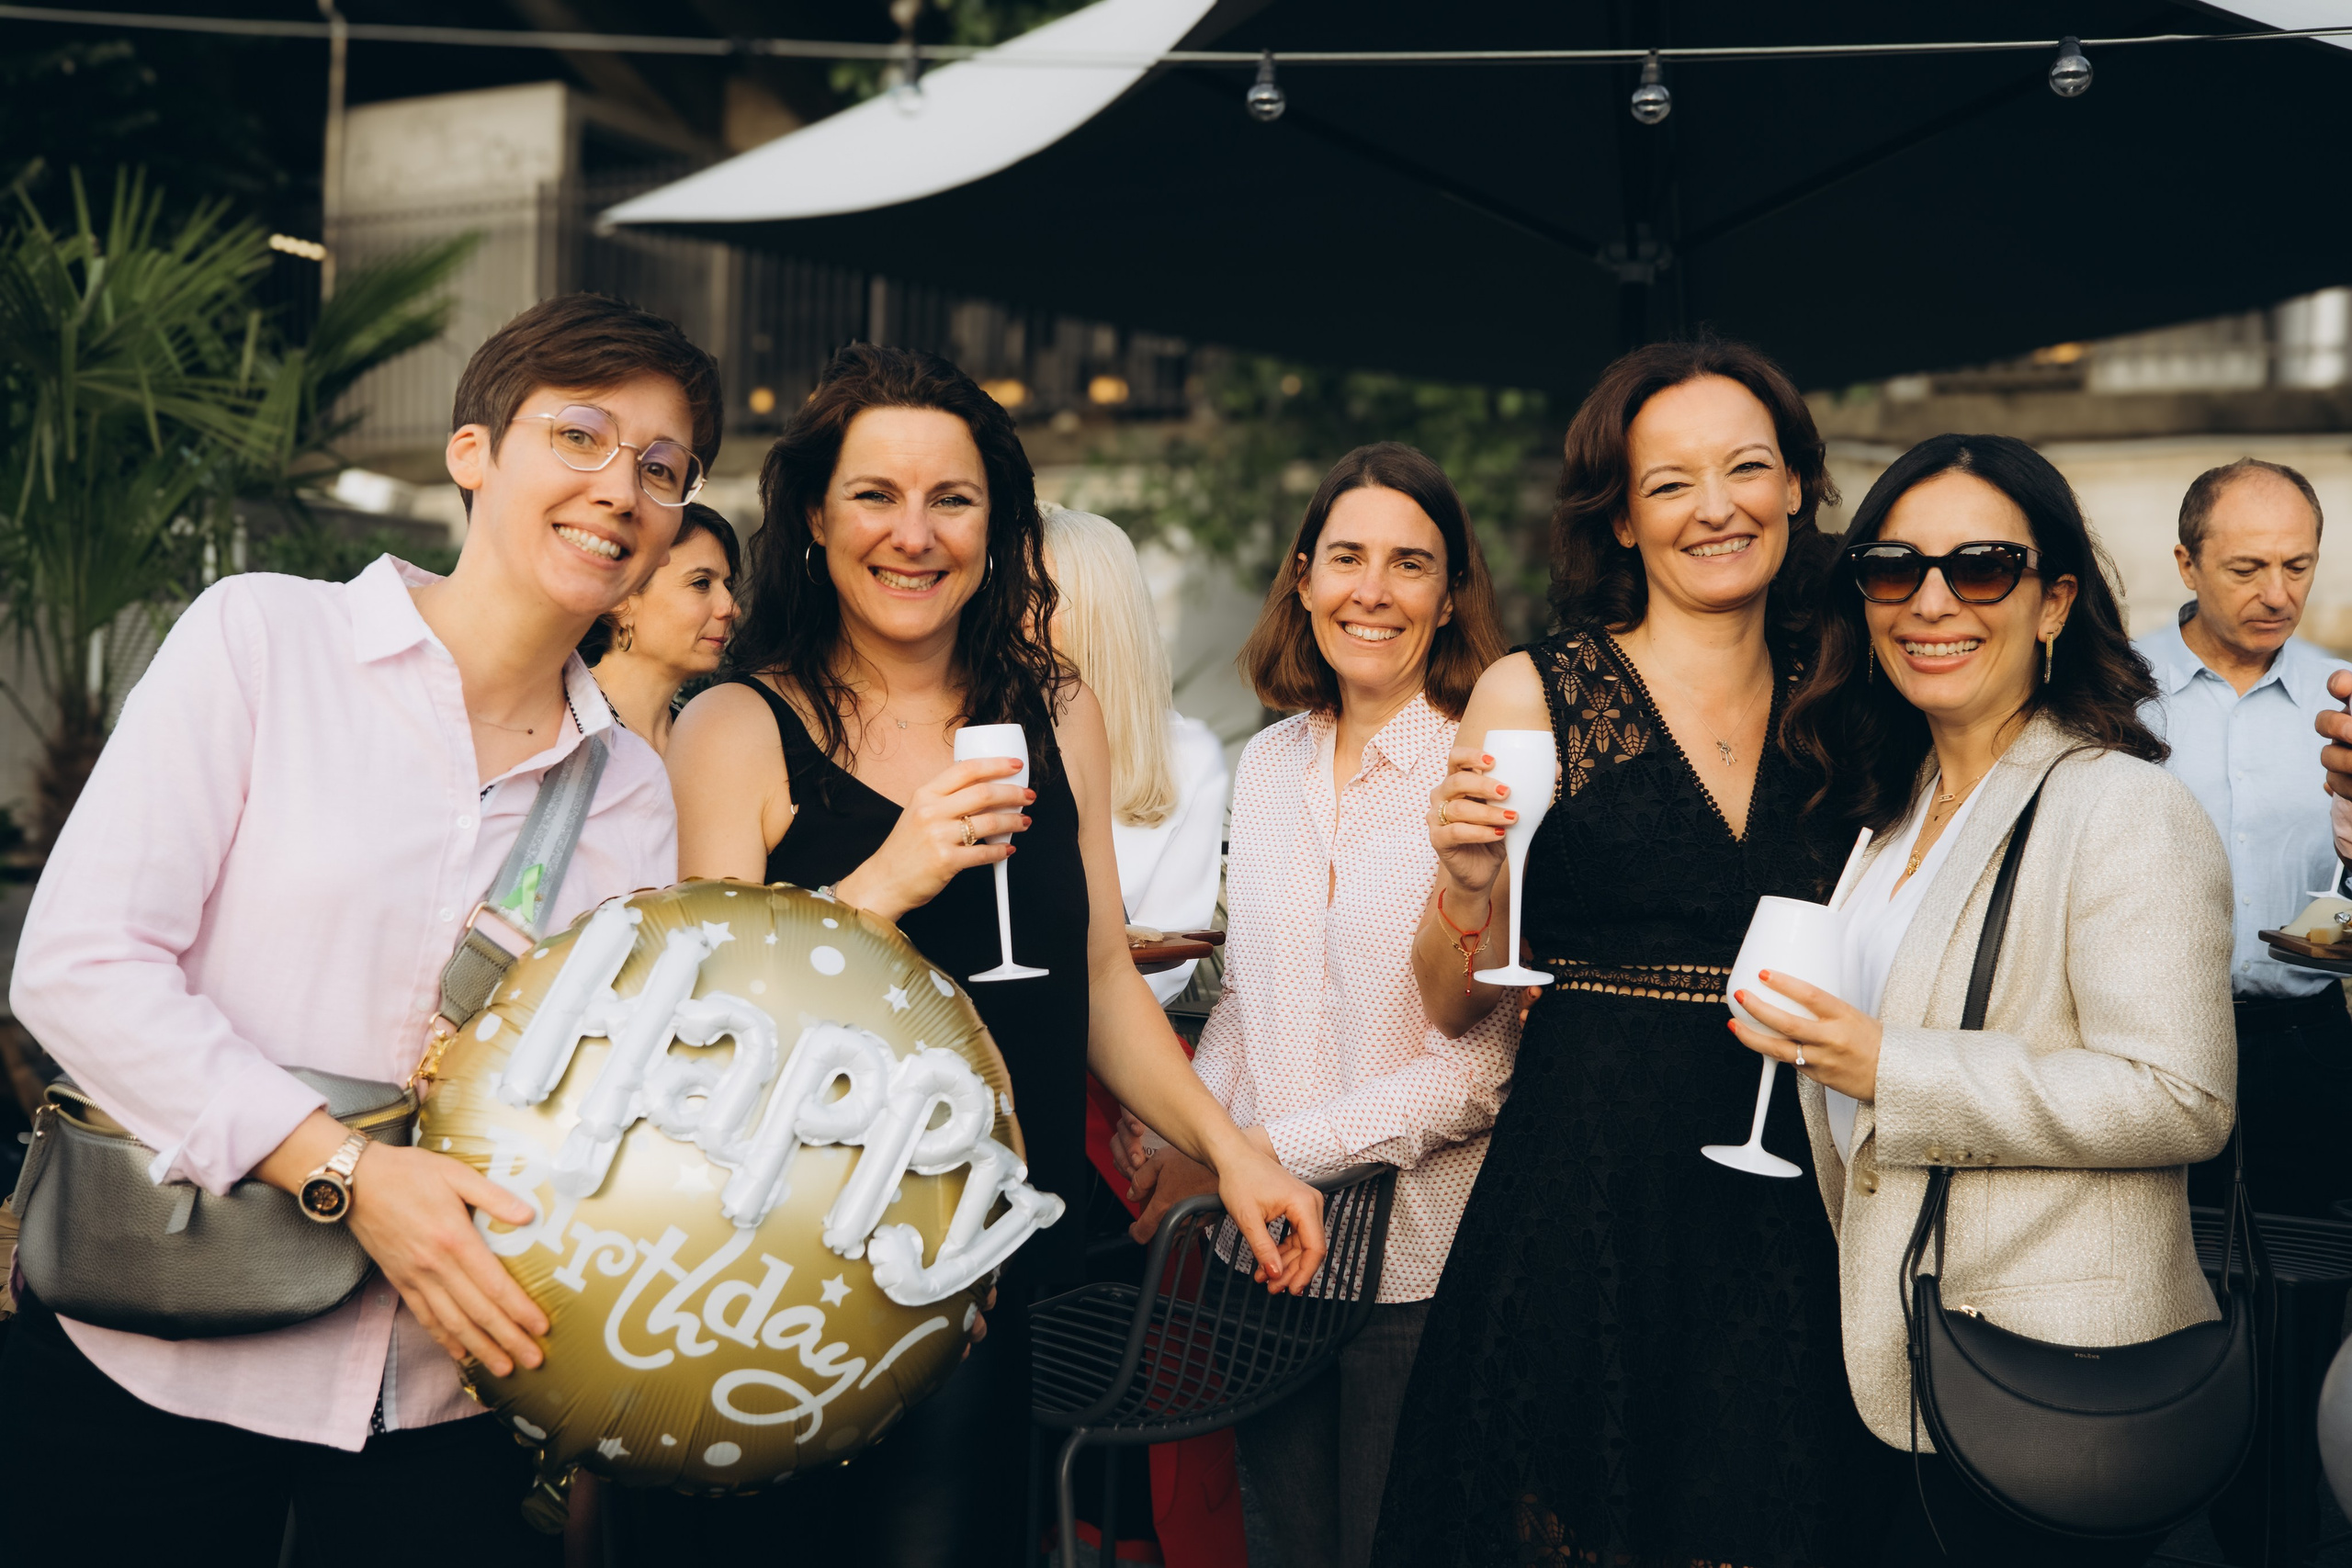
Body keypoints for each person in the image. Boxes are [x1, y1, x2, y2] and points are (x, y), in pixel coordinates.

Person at [0, 293, 719, 1563]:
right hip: (155, 1353)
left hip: (441, 1400)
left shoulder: (629, 789)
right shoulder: (266, 639)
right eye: (582, 435)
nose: (623, 486)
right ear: (472, 452)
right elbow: (80, 964)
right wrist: (348, 1170)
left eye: (662, 468)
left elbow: (602, 1097)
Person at [629, 343, 1325, 1568]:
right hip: (799, 1276)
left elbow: (1103, 978)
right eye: (875, 495)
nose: (915, 533)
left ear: (996, 524)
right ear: (811, 515)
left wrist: (1231, 1149)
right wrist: (889, 879)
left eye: (952, 498)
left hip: (1004, 1257)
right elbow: (711, 1036)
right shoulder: (737, 725)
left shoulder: (1059, 710)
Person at [1374, 338, 1894, 1568]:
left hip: (1797, 1185)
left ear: (1795, 489)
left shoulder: (1858, 688)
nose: (1715, 506)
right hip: (1587, 1191)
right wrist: (1465, 880)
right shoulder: (1532, 689)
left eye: (1746, 468)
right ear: (1619, 518)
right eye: (1671, 482)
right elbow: (1454, 1002)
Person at [1758, 434, 2234, 1566]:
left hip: (2051, 1382)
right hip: (1904, 1368)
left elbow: (2182, 1097)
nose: (1931, 600)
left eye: (1979, 568)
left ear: (2054, 600)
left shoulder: (2118, 807)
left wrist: (1892, 1068)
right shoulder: (1892, 809)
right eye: (1892, 568)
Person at [1115, 443, 1521, 1568]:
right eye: (1345, 558)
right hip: (1266, 1267)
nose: (1372, 591)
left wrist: (1257, 1150)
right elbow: (1245, 997)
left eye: (1409, 565)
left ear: (1450, 598)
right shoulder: (1269, 761)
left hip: (1417, 1270)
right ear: (1302, 579)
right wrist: (1184, 1133)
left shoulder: (1483, 775)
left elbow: (1483, 1069)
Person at [2134, 458, 2350, 1218]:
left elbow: (2350, 887)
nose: (2278, 594)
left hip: (2308, 1046)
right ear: (2187, 564)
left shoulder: (2343, 701)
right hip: (2149, 1049)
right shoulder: (2114, 696)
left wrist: (2314, 945)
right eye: (2247, 568)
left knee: (2308, 1292)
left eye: (2298, 566)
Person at [1041, 503, 1229, 1004]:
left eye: (1036, 595)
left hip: (1103, 1039)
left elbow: (1166, 968)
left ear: (1096, 612)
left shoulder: (1187, 757)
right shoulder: (968, 731)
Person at [580, 501, 741, 754]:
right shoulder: (561, 722)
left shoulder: (700, 747)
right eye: (701, 583)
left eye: (728, 586)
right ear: (621, 599)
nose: (731, 607)